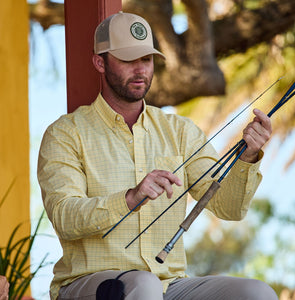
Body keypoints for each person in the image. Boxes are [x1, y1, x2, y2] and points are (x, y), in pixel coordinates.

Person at [38, 11, 278, 300]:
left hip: (169, 285)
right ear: (100, 62)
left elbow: (230, 208)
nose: (140, 70)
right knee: (143, 285)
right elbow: (65, 216)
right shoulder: (66, 133)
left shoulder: (180, 131)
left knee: (256, 292)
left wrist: (248, 157)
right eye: (128, 60)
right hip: (89, 284)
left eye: (146, 59)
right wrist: (129, 198)